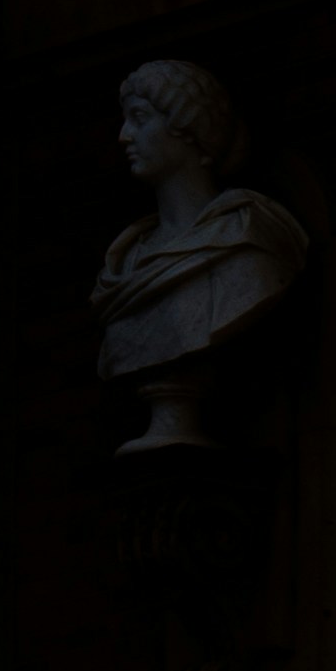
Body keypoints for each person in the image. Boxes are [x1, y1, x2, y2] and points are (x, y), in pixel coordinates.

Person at [91, 61, 308, 430]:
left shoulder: (247, 241)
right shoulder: (125, 262)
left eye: (140, 118)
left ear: (189, 129)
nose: (124, 136)